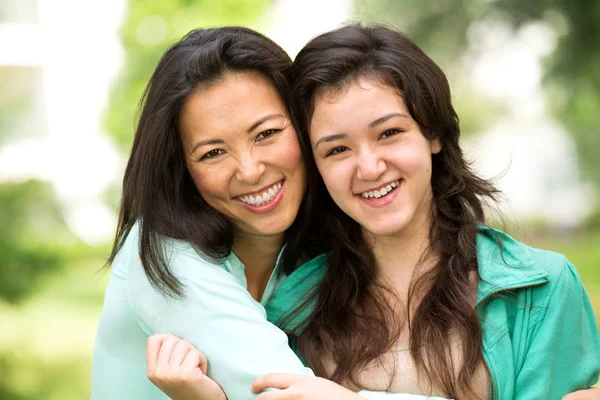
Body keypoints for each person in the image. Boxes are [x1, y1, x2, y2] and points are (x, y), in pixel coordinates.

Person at [146, 24, 600, 400]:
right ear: (316, 165)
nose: (369, 167)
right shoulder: (295, 306)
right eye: (337, 148)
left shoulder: (539, 290)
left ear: (433, 134)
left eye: (388, 133)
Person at [91, 26, 320, 400]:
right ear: (182, 170)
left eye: (266, 133)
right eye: (213, 153)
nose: (249, 170)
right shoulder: (170, 258)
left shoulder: (316, 250)